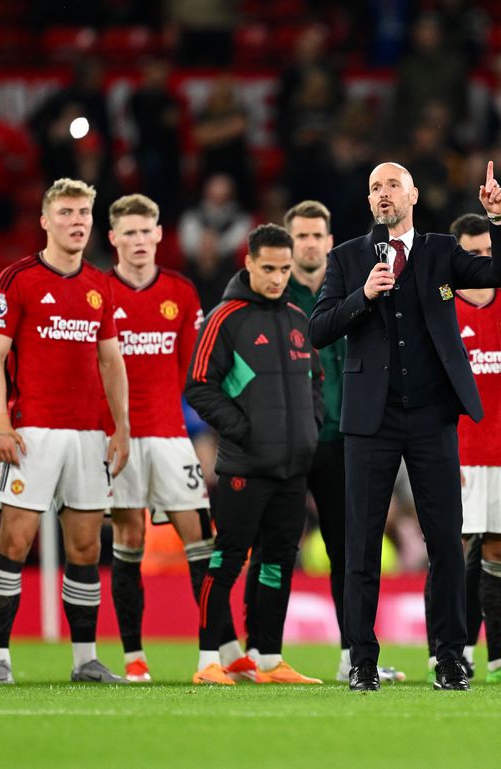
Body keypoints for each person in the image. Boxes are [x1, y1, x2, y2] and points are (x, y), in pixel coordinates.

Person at [309, 161, 501, 692]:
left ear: (413, 195)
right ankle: (361, 658)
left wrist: (499, 220)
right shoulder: (347, 257)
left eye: (392, 185)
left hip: (431, 417)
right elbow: (318, 329)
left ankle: (448, 657)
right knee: (360, 545)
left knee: (446, 541)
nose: (383, 194)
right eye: (375, 186)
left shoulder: (441, 251)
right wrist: (364, 296)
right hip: (369, 421)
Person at [0, 178, 130, 685]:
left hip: (88, 435)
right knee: (15, 543)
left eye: (84, 212)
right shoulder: (16, 279)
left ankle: (84, 659)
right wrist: (1, 422)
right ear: (45, 221)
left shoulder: (99, 284)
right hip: (32, 432)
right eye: (66, 212)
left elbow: (111, 361)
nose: (77, 221)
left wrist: (122, 427)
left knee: (86, 549)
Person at [101, 194, 247, 684]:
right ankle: (133, 658)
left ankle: (213, 656)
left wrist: (219, 426)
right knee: (130, 539)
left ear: (161, 234)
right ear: (114, 238)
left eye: (148, 231)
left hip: (170, 436)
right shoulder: (100, 294)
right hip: (118, 438)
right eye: (130, 232)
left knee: (200, 541)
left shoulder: (181, 294)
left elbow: (198, 372)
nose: (140, 240)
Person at [185, 224, 323, 686]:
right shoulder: (226, 318)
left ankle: (267, 658)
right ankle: (208, 660)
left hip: (292, 470)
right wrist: (242, 429)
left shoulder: (299, 319)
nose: (278, 277)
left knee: (277, 563)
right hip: (245, 468)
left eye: (285, 269)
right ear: (248, 264)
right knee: (227, 559)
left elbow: (316, 383)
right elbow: (199, 386)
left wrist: (312, 427)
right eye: (268, 268)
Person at [283, 199, 405, 685]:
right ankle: (258, 653)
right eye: (301, 236)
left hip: (340, 434)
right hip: (288, 438)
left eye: (318, 235)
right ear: (288, 243)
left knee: (348, 549)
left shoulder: (350, 286)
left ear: (330, 241)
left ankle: (352, 654)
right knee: (272, 546)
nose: (310, 243)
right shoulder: (271, 289)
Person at [428, 213, 501, 683]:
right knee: (450, 556)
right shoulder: (438, 307)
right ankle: (445, 653)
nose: (481, 260)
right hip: (457, 457)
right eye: (472, 253)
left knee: (500, 555)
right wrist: (438, 451)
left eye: (488, 253)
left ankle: (498, 659)